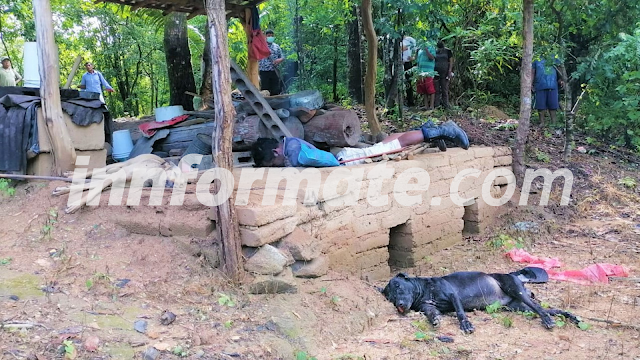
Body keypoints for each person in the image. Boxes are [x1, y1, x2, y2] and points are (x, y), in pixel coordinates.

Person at [251, 120, 469, 167]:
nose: (276, 165)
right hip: (344, 154)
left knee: (395, 144)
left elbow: (316, 159)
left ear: (275, 151)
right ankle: (427, 129)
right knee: (385, 143)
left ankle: (440, 131)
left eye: (273, 162)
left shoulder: (296, 154)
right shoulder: (289, 142)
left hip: (347, 160)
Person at [532, 56, 563, 126]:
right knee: (540, 106)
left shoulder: (554, 56)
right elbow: (532, 71)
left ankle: (554, 123)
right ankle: (542, 122)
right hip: (539, 85)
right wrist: (530, 84)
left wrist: (561, 79)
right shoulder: (536, 58)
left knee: (553, 106)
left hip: (552, 85)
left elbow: (560, 67)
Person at [259, 29, 284, 96]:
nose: (270, 37)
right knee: (265, 90)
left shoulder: (276, 46)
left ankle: (276, 105)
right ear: (265, 36)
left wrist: (279, 60)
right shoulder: (261, 46)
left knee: (275, 89)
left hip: (274, 71)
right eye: (269, 35)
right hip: (264, 71)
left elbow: (282, 57)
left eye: (272, 36)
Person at [416, 39, 437, 110]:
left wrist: (427, 50)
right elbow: (418, 62)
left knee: (430, 89)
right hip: (421, 72)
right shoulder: (420, 51)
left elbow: (432, 58)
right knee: (423, 90)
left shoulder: (432, 47)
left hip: (429, 72)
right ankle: (426, 105)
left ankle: (431, 106)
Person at [434, 40, 454, 109]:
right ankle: (437, 105)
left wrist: (450, 71)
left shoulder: (448, 51)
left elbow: (451, 61)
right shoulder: (435, 51)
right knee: (436, 90)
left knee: (444, 89)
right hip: (436, 73)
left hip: (445, 73)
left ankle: (446, 105)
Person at [402, 35, 417, 107]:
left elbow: (416, 48)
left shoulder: (410, 40)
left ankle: (410, 101)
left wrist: (413, 58)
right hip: (398, 63)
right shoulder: (393, 38)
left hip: (407, 63)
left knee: (408, 82)